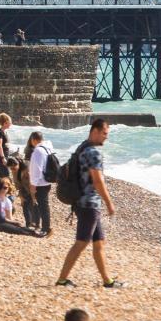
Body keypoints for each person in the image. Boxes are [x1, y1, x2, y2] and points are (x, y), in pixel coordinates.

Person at [55, 119, 123, 289]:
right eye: (104, 134)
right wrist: (109, 203)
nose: (106, 138)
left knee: (99, 242)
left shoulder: (82, 146)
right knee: (82, 242)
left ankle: (107, 281)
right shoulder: (93, 152)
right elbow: (98, 181)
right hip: (88, 203)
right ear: (95, 131)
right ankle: (62, 279)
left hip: (82, 201)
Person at [26, 131, 53, 237]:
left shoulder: (38, 150)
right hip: (47, 181)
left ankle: (46, 229)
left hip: (40, 183)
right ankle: (45, 227)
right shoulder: (48, 148)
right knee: (44, 205)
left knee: (43, 206)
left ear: (34, 139)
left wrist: (33, 185)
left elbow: (36, 169)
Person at [6, 157, 36, 230]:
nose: (12, 170)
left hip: (33, 187)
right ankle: (28, 224)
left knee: (33, 205)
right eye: (11, 169)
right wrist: (21, 196)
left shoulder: (27, 168)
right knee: (24, 205)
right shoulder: (14, 170)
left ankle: (35, 223)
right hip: (23, 188)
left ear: (18, 164)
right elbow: (17, 184)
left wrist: (33, 196)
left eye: (13, 168)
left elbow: (31, 182)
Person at [0, 113, 12, 177]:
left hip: (4, 154)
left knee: (1, 174)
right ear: (5, 123)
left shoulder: (4, 131)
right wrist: (3, 158)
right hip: (0, 155)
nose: (11, 124)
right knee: (6, 174)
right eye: (9, 122)